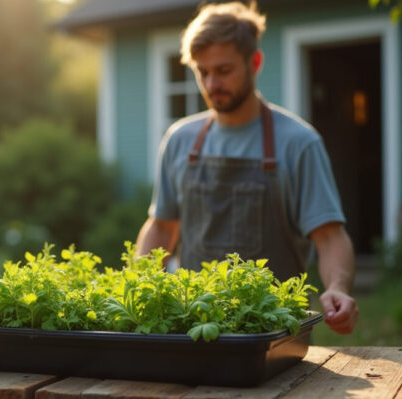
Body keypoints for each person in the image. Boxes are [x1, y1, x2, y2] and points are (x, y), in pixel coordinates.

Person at [135, 1, 359, 335]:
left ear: (254, 63)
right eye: (202, 72)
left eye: (223, 71)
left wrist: (338, 286)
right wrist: (139, 283)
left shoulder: (298, 142)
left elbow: (329, 238)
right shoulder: (179, 140)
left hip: (274, 334)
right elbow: (163, 228)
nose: (212, 84)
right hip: (194, 328)